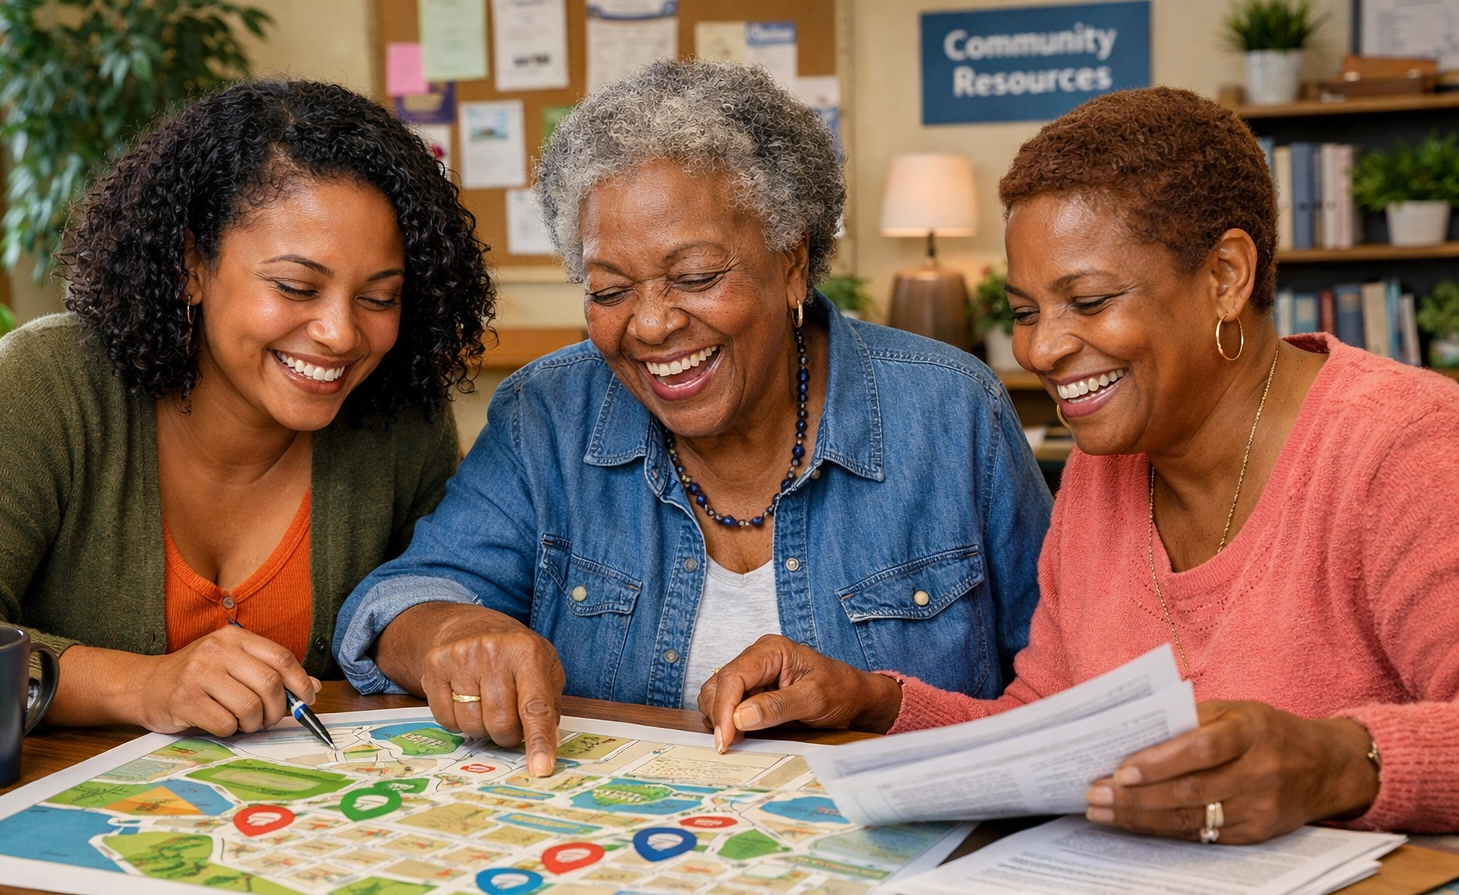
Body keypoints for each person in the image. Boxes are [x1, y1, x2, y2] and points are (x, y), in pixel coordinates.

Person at [703, 86, 1459, 840]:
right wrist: (870, 701)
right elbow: (1046, 727)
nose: (1040, 349)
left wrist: (1339, 761)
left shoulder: (1406, 447)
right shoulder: (1105, 468)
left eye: (1090, 302)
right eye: (1024, 312)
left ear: (1226, 276)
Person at [335, 60, 1052, 776]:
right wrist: (455, 632)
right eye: (609, 290)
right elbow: (399, 602)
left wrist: (876, 702)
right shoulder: (547, 415)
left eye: (697, 277)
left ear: (792, 263)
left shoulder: (952, 412)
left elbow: (1064, 692)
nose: (650, 324)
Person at [0, 79, 492, 737]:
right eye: (295, 286)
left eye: (379, 298)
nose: (341, 334)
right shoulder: (52, 382)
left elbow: (421, 603)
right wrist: (143, 685)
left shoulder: (400, 415)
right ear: (191, 264)